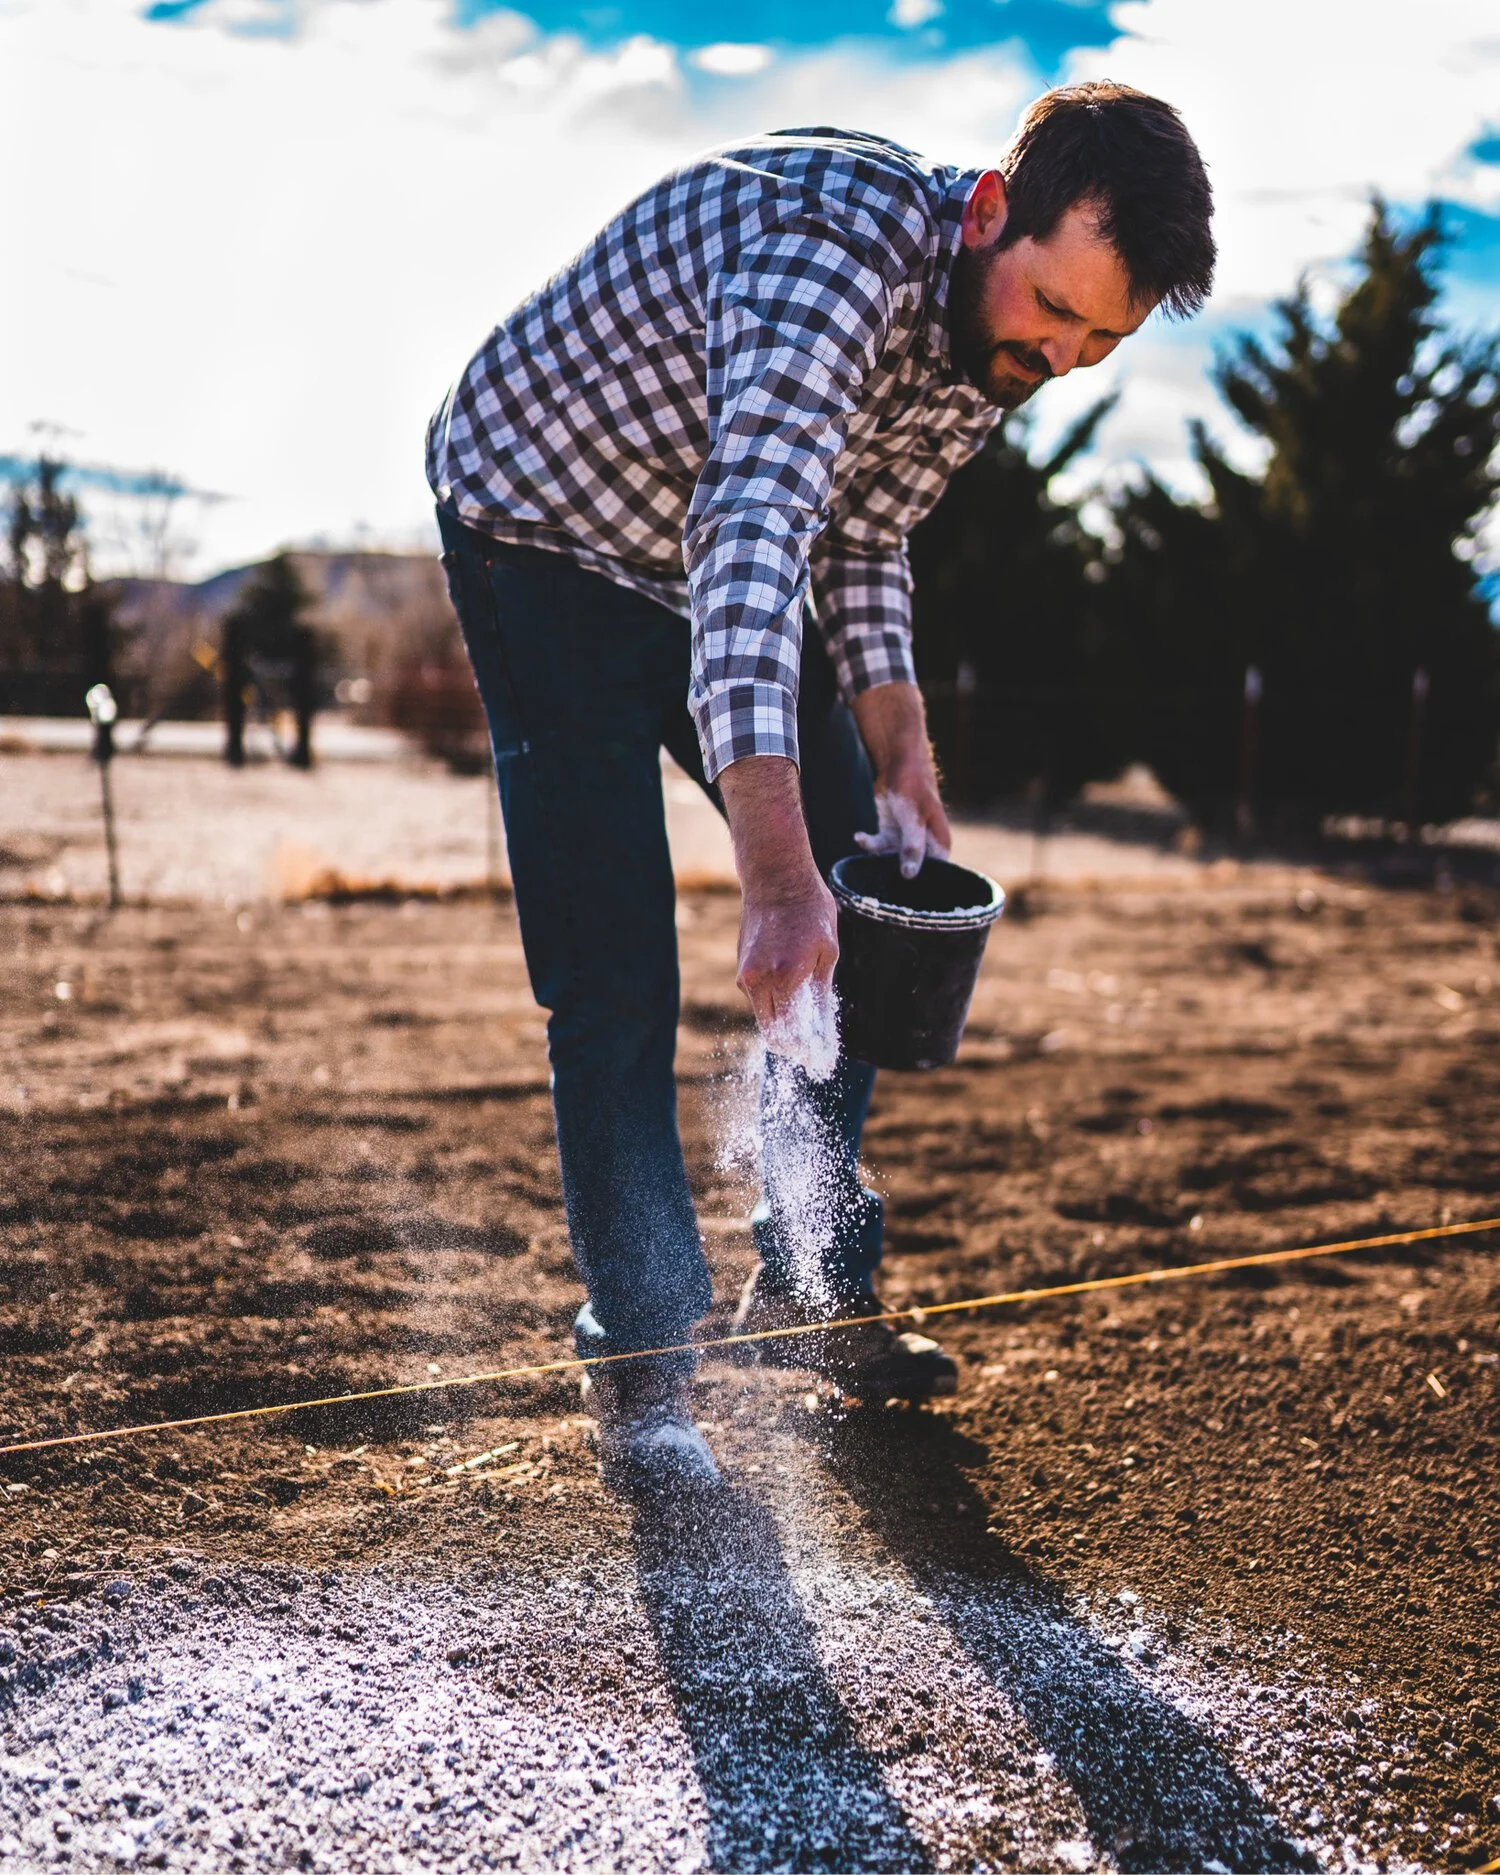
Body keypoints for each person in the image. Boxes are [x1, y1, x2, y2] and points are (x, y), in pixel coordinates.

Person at [427, 81, 1215, 1492]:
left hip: (704, 548)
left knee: (873, 887)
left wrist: (903, 764)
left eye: (1103, 338)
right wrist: (774, 881)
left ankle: (805, 1291)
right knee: (616, 970)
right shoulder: (823, 260)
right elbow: (752, 541)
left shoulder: (1000, 340)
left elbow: (860, 539)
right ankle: (647, 1368)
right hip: (541, 533)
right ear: (988, 214)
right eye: (1054, 309)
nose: (1066, 354)